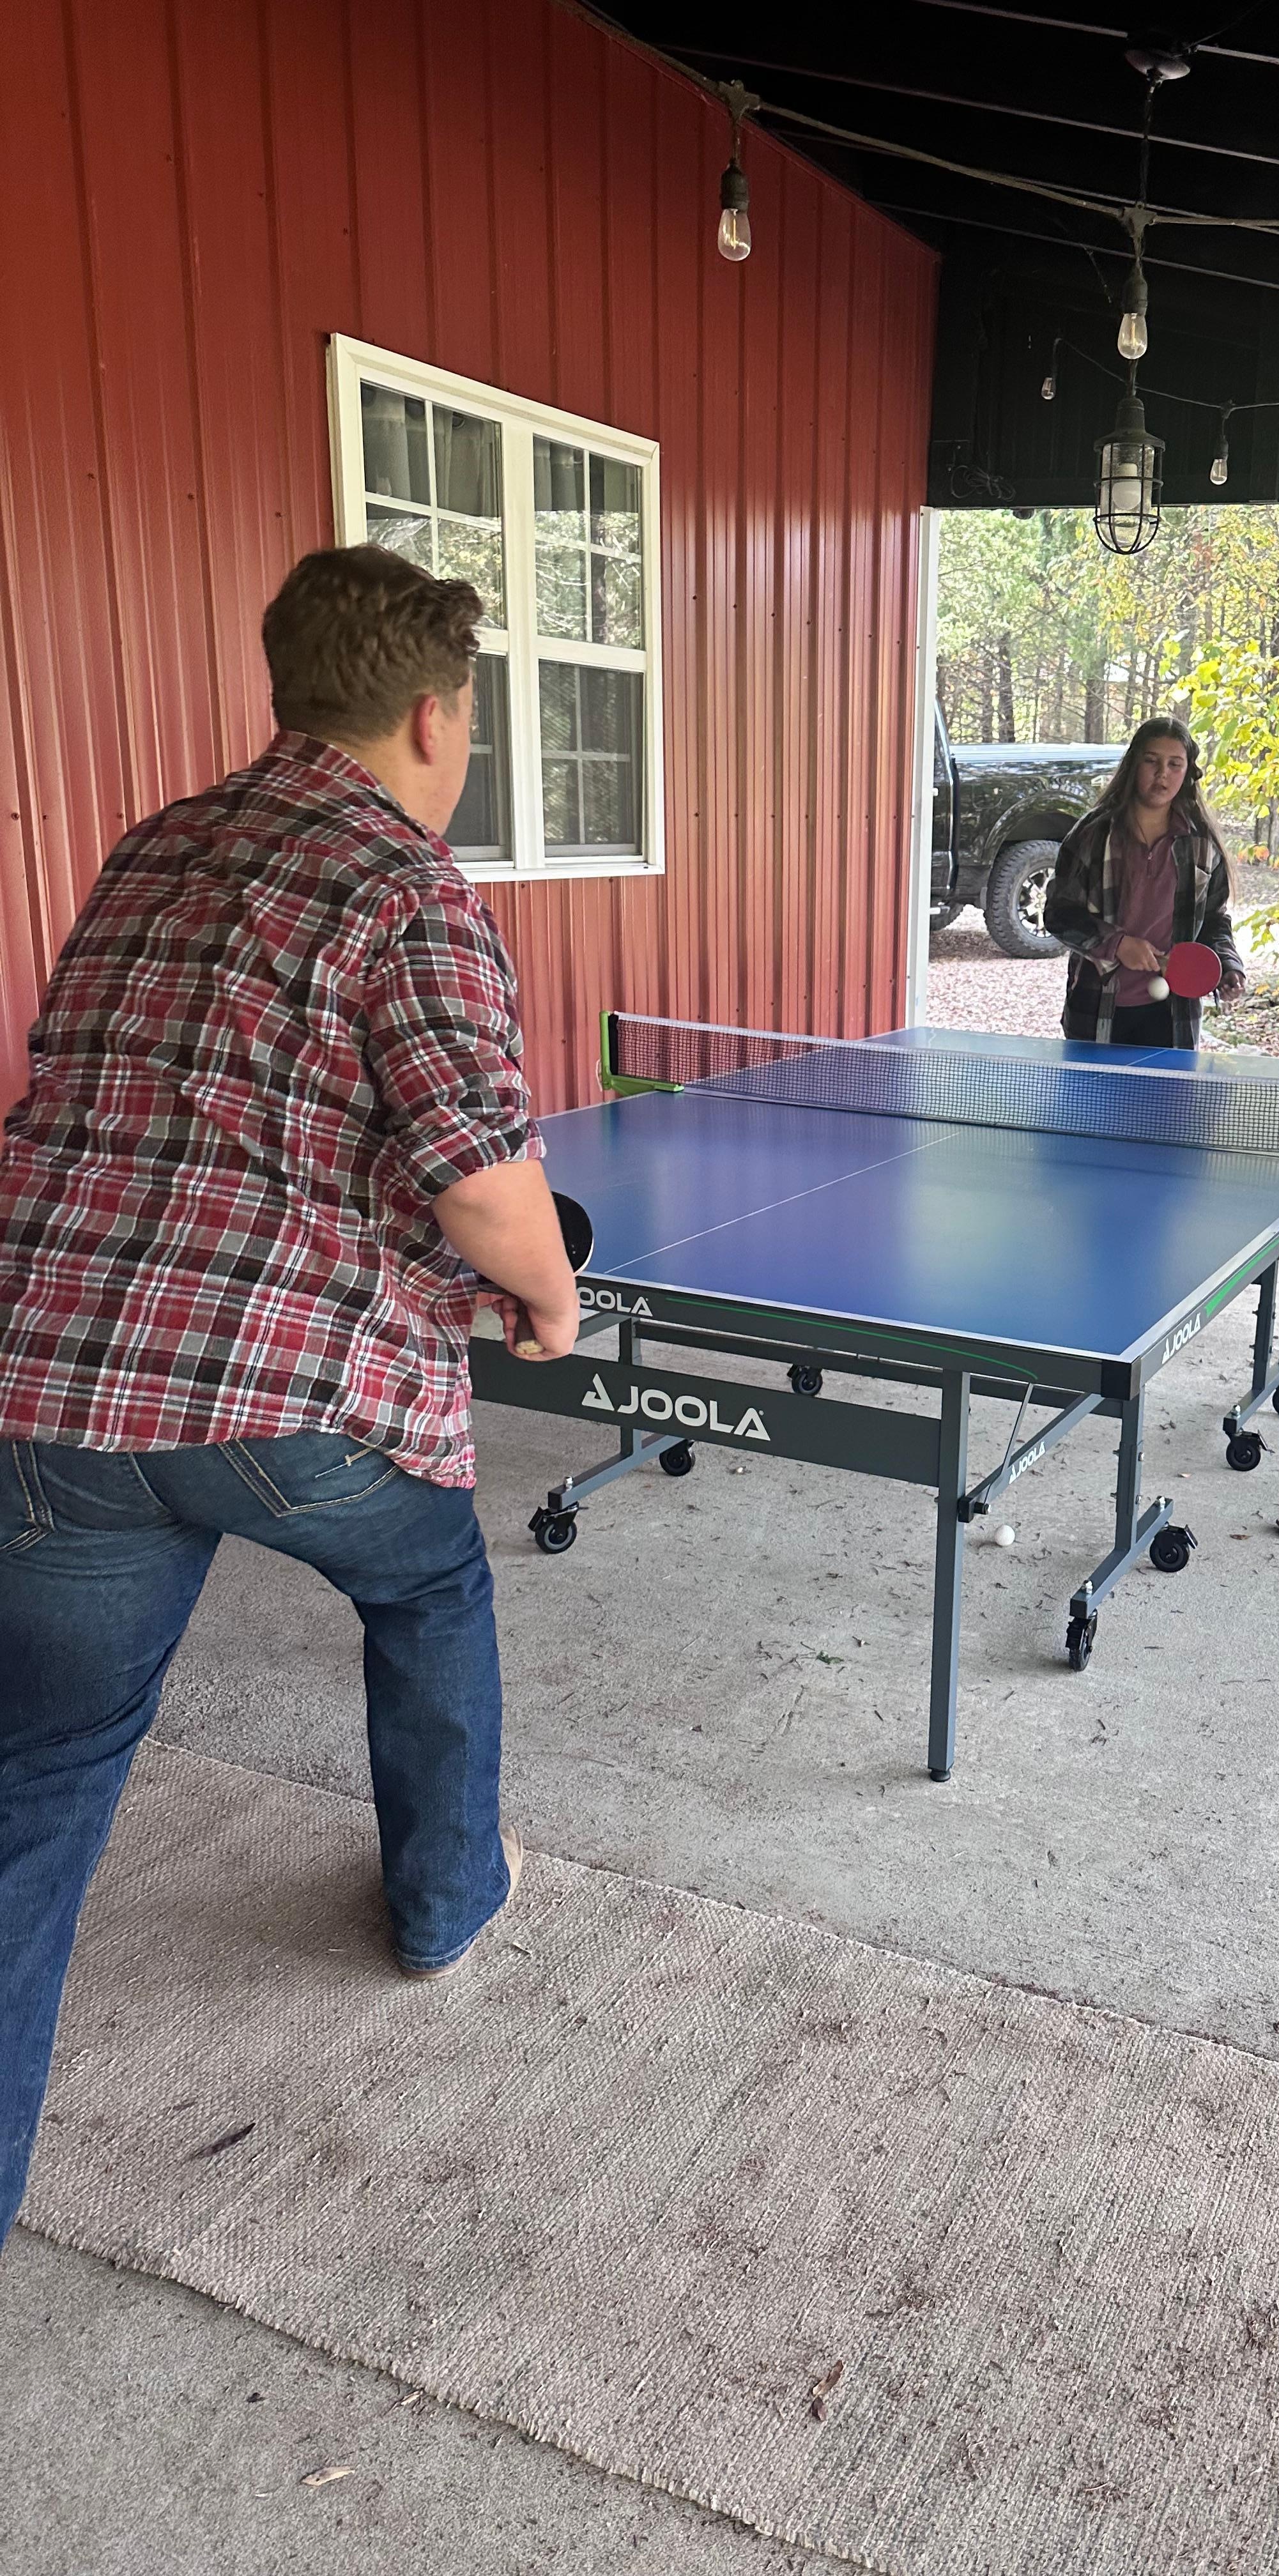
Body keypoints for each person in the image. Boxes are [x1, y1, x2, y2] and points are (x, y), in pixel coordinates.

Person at [0, 546, 582, 2244]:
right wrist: (547, 1295)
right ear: (432, 711)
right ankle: (445, 1897)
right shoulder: (409, 889)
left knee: (39, 1778)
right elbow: (481, 1180)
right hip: (287, 1403)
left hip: (45, 1384)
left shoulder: (153, 846)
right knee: (430, 1577)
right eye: (468, 712)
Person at [1043, 717, 1245, 1048]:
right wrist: (1117, 944)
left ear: (1188, 772)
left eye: (1174, 764)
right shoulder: (1092, 836)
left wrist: (1227, 964)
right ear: (1133, 765)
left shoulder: (1202, 846)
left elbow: (1213, 920)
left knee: (1166, 1102)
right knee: (1094, 1101)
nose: (1162, 773)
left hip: (1172, 1018)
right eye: (1151, 761)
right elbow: (1059, 914)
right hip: (1096, 1012)